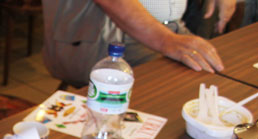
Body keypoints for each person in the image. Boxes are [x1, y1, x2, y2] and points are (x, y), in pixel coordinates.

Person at [41, 0, 236, 87]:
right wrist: (167, 41)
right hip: (107, 36)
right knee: (187, 86)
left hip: (171, 27)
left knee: (224, 76)